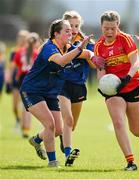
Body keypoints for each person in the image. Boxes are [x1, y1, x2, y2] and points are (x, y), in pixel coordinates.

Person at [20, 19, 94, 167]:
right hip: (32, 90)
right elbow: (61, 61)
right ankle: (53, 162)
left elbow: (85, 53)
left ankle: (36, 140)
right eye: (67, 30)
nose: (71, 32)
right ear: (56, 34)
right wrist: (79, 49)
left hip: (50, 93)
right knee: (49, 124)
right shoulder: (50, 47)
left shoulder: (66, 46)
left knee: (58, 129)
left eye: (71, 30)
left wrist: (94, 56)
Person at [94, 10, 139, 171]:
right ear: (101, 27)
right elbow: (100, 69)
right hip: (113, 90)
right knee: (118, 122)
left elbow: (136, 63)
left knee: (135, 129)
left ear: (117, 26)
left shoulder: (125, 39)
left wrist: (126, 78)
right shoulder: (99, 46)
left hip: (132, 84)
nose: (109, 32)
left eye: (112, 28)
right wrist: (102, 85)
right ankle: (130, 162)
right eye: (106, 28)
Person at [58, 10, 96, 167]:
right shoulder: (59, 42)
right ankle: (68, 155)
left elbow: (94, 65)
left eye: (76, 25)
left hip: (79, 86)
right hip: (61, 84)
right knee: (68, 120)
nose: (73, 29)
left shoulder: (88, 43)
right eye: (70, 26)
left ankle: (38, 138)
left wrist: (89, 53)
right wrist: (82, 51)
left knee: (71, 126)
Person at [12, 32, 41, 138]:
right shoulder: (37, 53)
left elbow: (15, 68)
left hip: (21, 79)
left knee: (24, 105)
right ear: (36, 42)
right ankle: (26, 128)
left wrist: (14, 79)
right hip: (32, 80)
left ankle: (24, 127)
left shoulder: (19, 51)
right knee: (28, 106)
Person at [7, 30, 29, 131]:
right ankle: (18, 120)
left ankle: (25, 127)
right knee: (15, 106)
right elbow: (11, 67)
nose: (21, 40)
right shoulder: (14, 51)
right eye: (20, 37)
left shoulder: (30, 51)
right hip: (16, 81)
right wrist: (9, 80)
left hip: (26, 81)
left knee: (25, 105)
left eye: (24, 38)